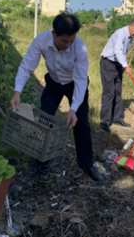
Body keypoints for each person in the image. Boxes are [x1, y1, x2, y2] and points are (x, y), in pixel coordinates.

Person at [10, 14, 102, 181]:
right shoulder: (41, 40)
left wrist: (73, 109)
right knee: (44, 119)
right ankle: (41, 161)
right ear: (54, 34)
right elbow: (27, 66)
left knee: (81, 122)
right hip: (53, 83)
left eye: (71, 41)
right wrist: (17, 91)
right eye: (64, 41)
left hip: (75, 84)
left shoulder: (79, 48)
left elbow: (81, 80)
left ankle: (87, 164)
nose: (68, 45)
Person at [99, 17, 134, 132]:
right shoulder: (120, 34)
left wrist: (122, 66)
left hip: (117, 66)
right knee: (109, 93)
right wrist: (126, 65)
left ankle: (117, 118)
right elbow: (118, 51)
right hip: (108, 64)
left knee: (117, 92)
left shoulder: (130, 37)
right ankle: (104, 121)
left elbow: (123, 53)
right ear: (131, 25)